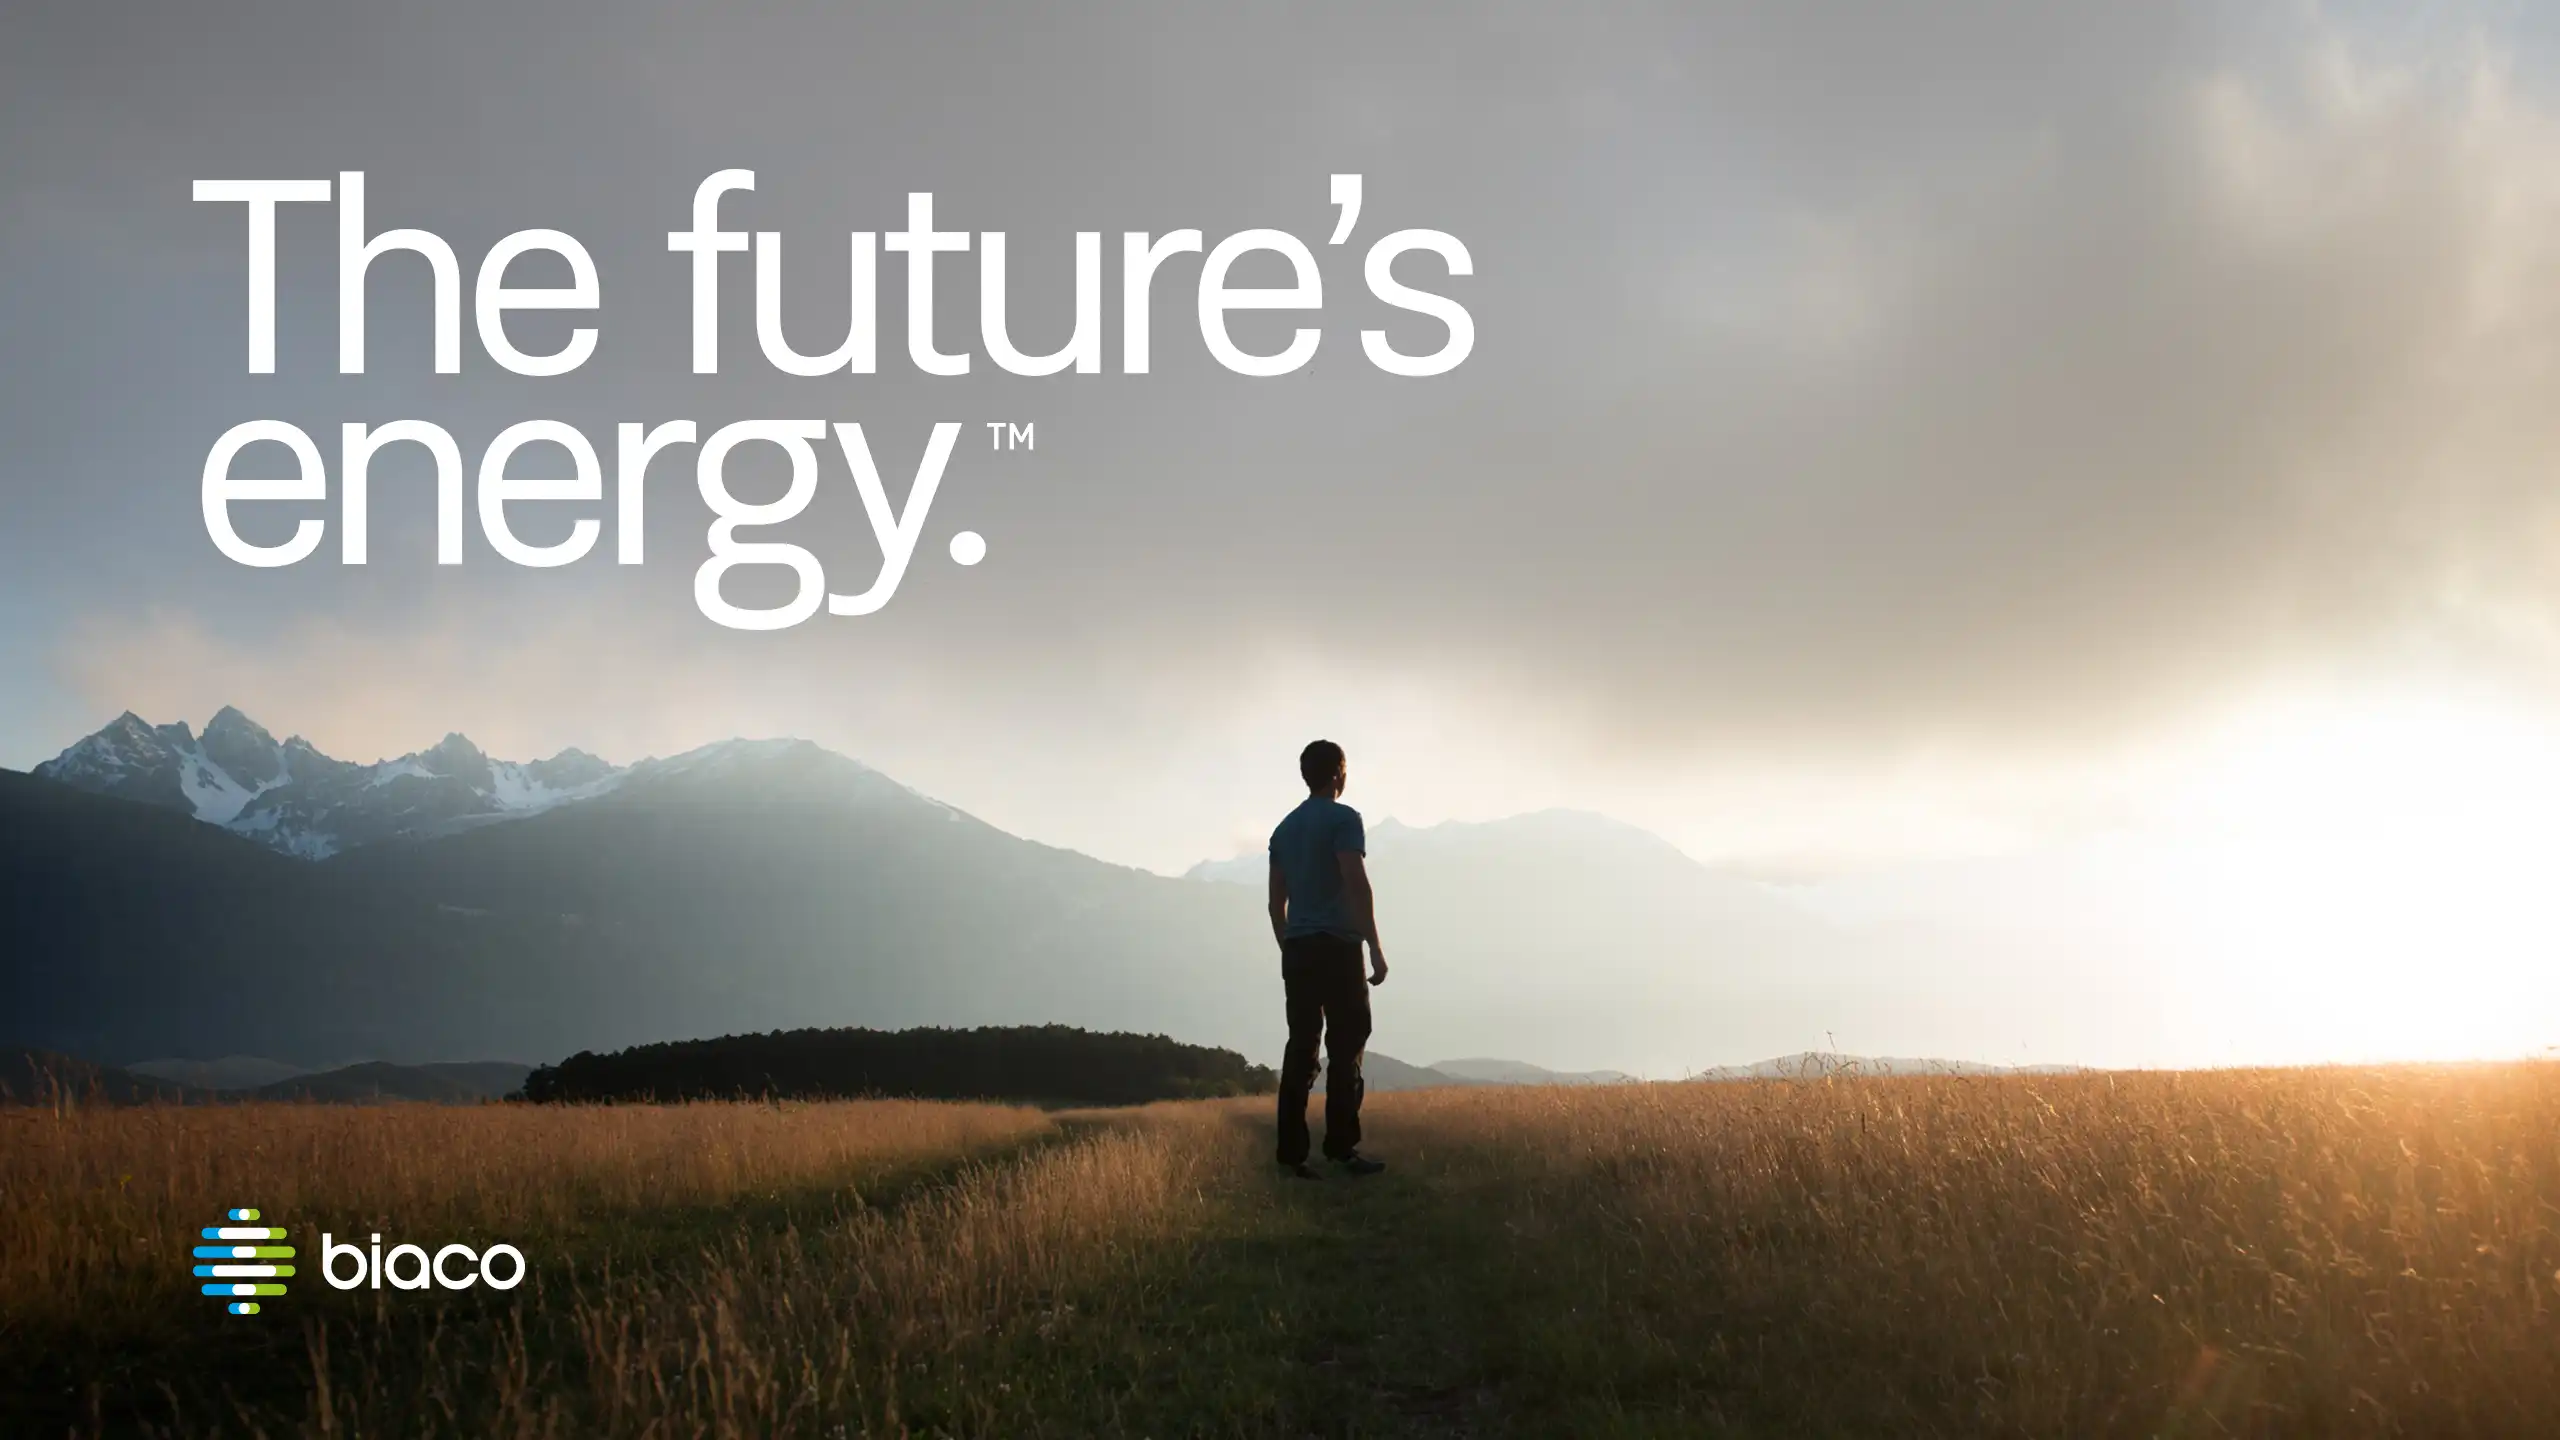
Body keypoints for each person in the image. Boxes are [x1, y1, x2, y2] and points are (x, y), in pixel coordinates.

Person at [1267, 739, 1388, 1177]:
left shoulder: (1283, 830)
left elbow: (1274, 904)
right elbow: (1357, 884)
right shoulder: (1344, 819)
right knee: (1347, 1043)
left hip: (1298, 948)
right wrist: (1374, 946)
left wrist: (1290, 947)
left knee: (1301, 1047)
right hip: (1338, 946)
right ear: (1339, 772)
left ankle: (1291, 1157)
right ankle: (1340, 1147)